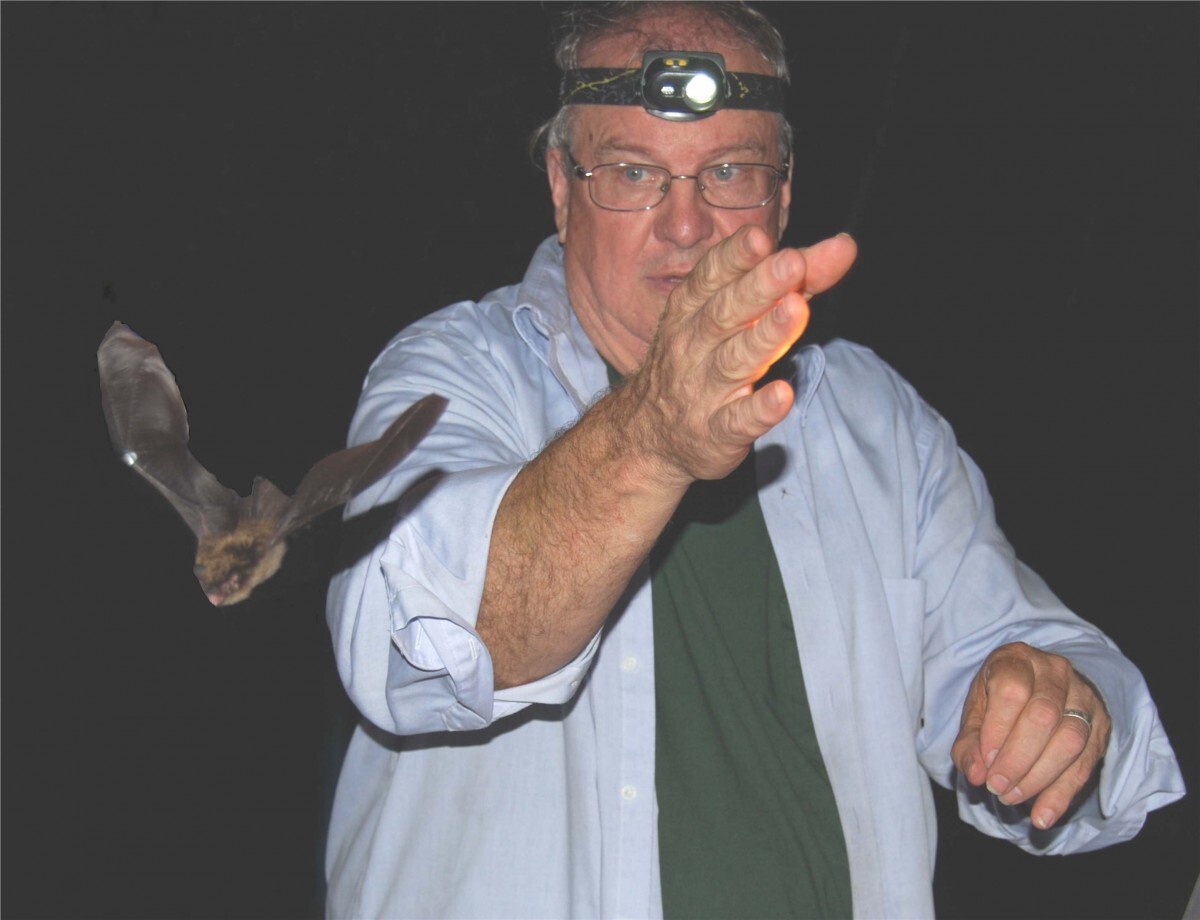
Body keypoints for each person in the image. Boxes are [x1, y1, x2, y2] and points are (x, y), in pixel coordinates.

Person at [323, 3, 1184, 917]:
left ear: (782, 194)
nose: (685, 224)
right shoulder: (452, 373)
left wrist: (1061, 706)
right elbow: (419, 639)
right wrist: (653, 433)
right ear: (560, 186)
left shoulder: (874, 417)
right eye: (632, 172)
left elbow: (1038, 659)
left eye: (728, 171)